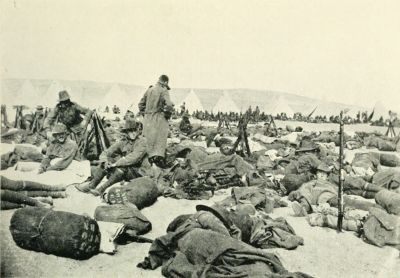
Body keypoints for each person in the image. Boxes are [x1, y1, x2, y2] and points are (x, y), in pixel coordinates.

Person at [75, 119, 148, 196]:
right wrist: (105, 161)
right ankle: (91, 185)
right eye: (130, 131)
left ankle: (101, 189)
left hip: (138, 172)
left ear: (138, 130)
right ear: (126, 132)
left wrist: (116, 164)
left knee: (122, 167)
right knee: (107, 162)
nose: (133, 133)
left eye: (134, 130)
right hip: (126, 170)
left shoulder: (142, 141)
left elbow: (133, 158)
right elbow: (106, 152)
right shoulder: (123, 142)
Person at [138, 75, 174, 168]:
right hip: (159, 119)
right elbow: (169, 105)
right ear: (165, 82)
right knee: (160, 141)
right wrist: (167, 115)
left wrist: (145, 114)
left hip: (148, 120)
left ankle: (147, 161)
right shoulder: (163, 90)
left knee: (148, 140)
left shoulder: (149, 90)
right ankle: (158, 162)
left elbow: (140, 104)